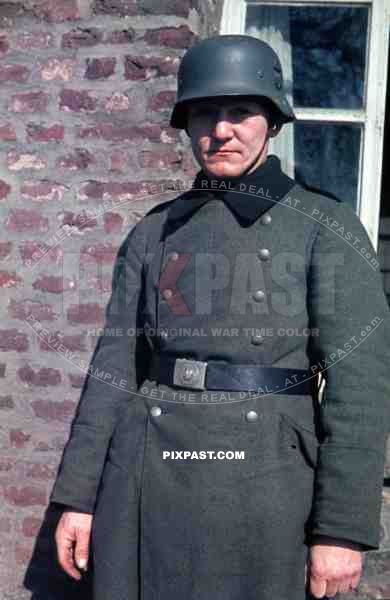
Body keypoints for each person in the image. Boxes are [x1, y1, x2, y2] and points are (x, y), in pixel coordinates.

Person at [50, 35, 390, 600]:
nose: (221, 130)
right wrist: (78, 499)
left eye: (241, 112)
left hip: (266, 486)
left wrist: (342, 531)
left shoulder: (323, 228)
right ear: (186, 124)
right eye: (204, 113)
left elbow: (361, 391)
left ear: (273, 122)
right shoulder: (154, 231)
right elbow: (112, 371)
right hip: (146, 477)